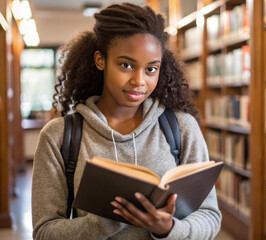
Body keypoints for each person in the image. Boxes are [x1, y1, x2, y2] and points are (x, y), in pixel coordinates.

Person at [31, 2, 222, 240]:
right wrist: (105, 223)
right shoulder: (58, 136)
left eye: (151, 69)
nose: (139, 81)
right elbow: (45, 231)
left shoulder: (181, 128)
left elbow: (210, 216)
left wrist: (170, 229)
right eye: (126, 65)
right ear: (100, 60)